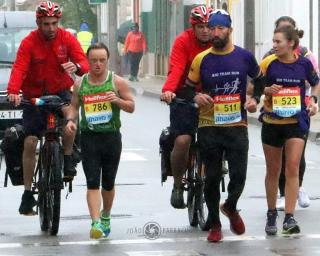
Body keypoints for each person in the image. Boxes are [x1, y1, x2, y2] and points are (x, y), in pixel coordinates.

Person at [7, 1, 89, 216]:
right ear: (38, 23)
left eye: (54, 23)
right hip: (34, 97)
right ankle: (27, 194)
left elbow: (83, 63)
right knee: (30, 141)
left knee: (71, 117)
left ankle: (68, 157)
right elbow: (19, 68)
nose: (50, 28)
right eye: (46, 24)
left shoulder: (67, 39)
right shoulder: (28, 43)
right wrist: (14, 91)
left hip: (60, 93)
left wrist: (78, 67)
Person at [186, 9, 262, 242]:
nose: (214, 33)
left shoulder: (244, 57)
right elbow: (187, 87)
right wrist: (195, 97)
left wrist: (254, 100)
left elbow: (260, 81)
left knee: (239, 176)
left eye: (220, 28)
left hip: (237, 125)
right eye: (212, 28)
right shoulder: (202, 59)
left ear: (229, 30)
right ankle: (215, 224)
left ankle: (229, 205)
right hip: (209, 126)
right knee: (212, 176)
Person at [65, 42, 135, 239]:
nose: (97, 64)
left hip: (111, 138)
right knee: (92, 182)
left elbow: (131, 106)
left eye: (102, 60)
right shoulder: (80, 84)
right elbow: (73, 106)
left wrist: (117, 101)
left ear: (107, 61)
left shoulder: (117, 82)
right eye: (94, 60)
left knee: (109, 183)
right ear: (88, 61)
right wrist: (71, 121)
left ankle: (106, 215)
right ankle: (95, 222)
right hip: (89, 138)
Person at [261, 25, 319, 235]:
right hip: (272, 123)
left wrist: (313, 100)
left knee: (292, 168)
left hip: (296, 122)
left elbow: (315, 83)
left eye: (278, 42)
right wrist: (267, 89)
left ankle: (289, 216)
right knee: (273, 171)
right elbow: (253, 87)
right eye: (273, 41)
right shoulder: (268, 63)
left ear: (291, 43)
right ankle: (270, 213)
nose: (274, 45)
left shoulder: (304, 64)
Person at [160, 5, 214, 209]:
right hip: (184, 94)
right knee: (182, 140)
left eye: (209, 26)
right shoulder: (183, 41)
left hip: (212, 98)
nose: (205, 31)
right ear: (193, 27)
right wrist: (168, 91)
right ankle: (177, 184)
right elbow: (177, 69)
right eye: (200, 27)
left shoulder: (218, 41)